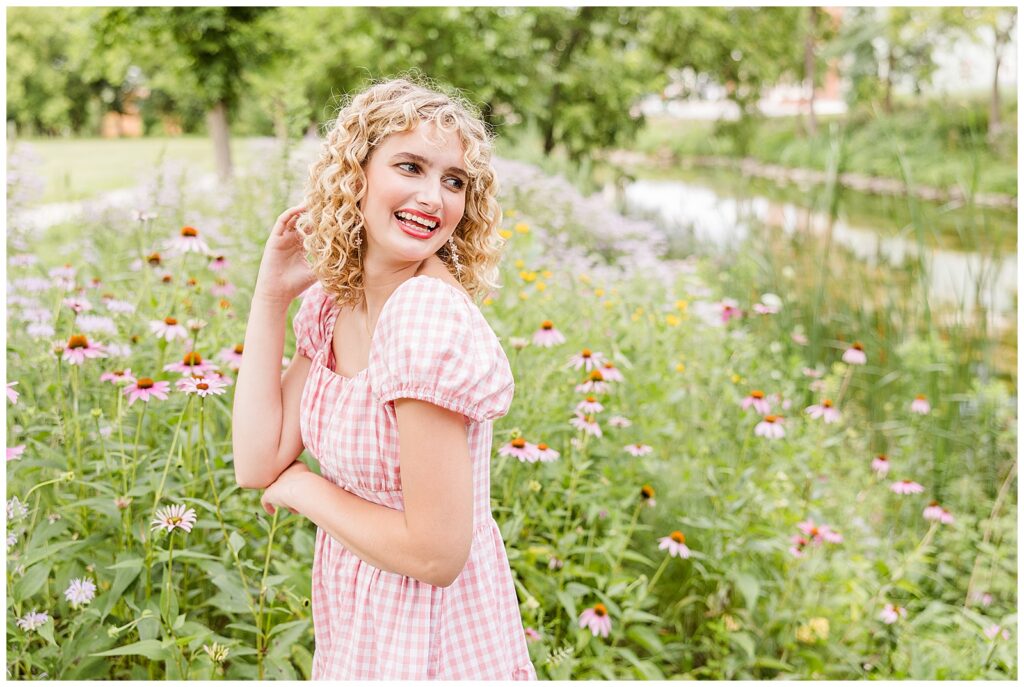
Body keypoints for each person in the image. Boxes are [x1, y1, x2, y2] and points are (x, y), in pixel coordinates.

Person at [231, 78, 537, 680]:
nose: (433, 197)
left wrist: (304, 491)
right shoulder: (332, 304)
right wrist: (270, 296)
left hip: (435, 637)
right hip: (360, 622)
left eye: (454, 181)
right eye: (411, 166)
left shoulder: (425, 315)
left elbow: (436, 553)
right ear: (356, 174)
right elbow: (256, 461)